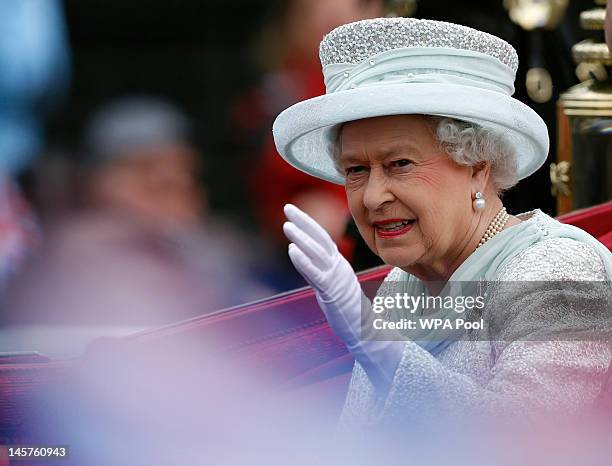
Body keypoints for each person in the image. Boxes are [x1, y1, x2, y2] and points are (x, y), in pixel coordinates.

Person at [272, 17, 612, 428]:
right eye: (356, 170)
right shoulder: (405, 281)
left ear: (477, 167)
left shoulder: (556, 270)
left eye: (400, 164)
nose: (373, 196)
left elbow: (524, 442)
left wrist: (377, 345)